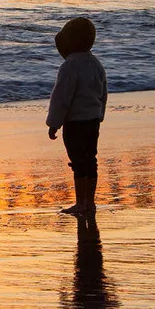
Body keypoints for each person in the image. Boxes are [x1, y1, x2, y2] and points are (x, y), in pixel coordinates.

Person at [46, 16, 107, 216]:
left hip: (75, 123)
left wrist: (54, 123)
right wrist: (100, 114)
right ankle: (90, 202)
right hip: (92, 121)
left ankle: (81, 203)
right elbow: (103, 93)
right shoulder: (96, 63)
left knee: (78, 161)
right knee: (90, 160)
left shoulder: (70, 66)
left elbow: (62, 97)